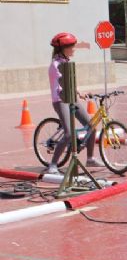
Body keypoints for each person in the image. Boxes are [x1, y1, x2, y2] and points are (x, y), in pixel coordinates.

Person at [47, 32, 102, 175]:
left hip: (71, 98)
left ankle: (90, 158)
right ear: (63, 48)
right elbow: (62, 84)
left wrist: (79, 92)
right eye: (71, 46)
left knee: (92, 127)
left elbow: (70, 83)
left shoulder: (66, 62)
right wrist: (73, 91)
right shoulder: (55, 65)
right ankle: (53, 165)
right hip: (60, 100)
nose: (74, 49)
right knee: (69, 134)